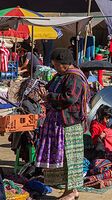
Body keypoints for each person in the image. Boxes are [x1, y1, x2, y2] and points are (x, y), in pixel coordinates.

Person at [36, 48, 89, 200]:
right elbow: (48, 89)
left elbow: (70, 98)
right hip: (59, 124)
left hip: (69, 124)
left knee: (70, 159)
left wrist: (49, 96)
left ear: (65, 64)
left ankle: (71, 192)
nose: (55, 68)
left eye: (56, 65)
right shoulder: (61, 75)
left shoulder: (74, 77)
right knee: (64, 159)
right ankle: (70, 191)